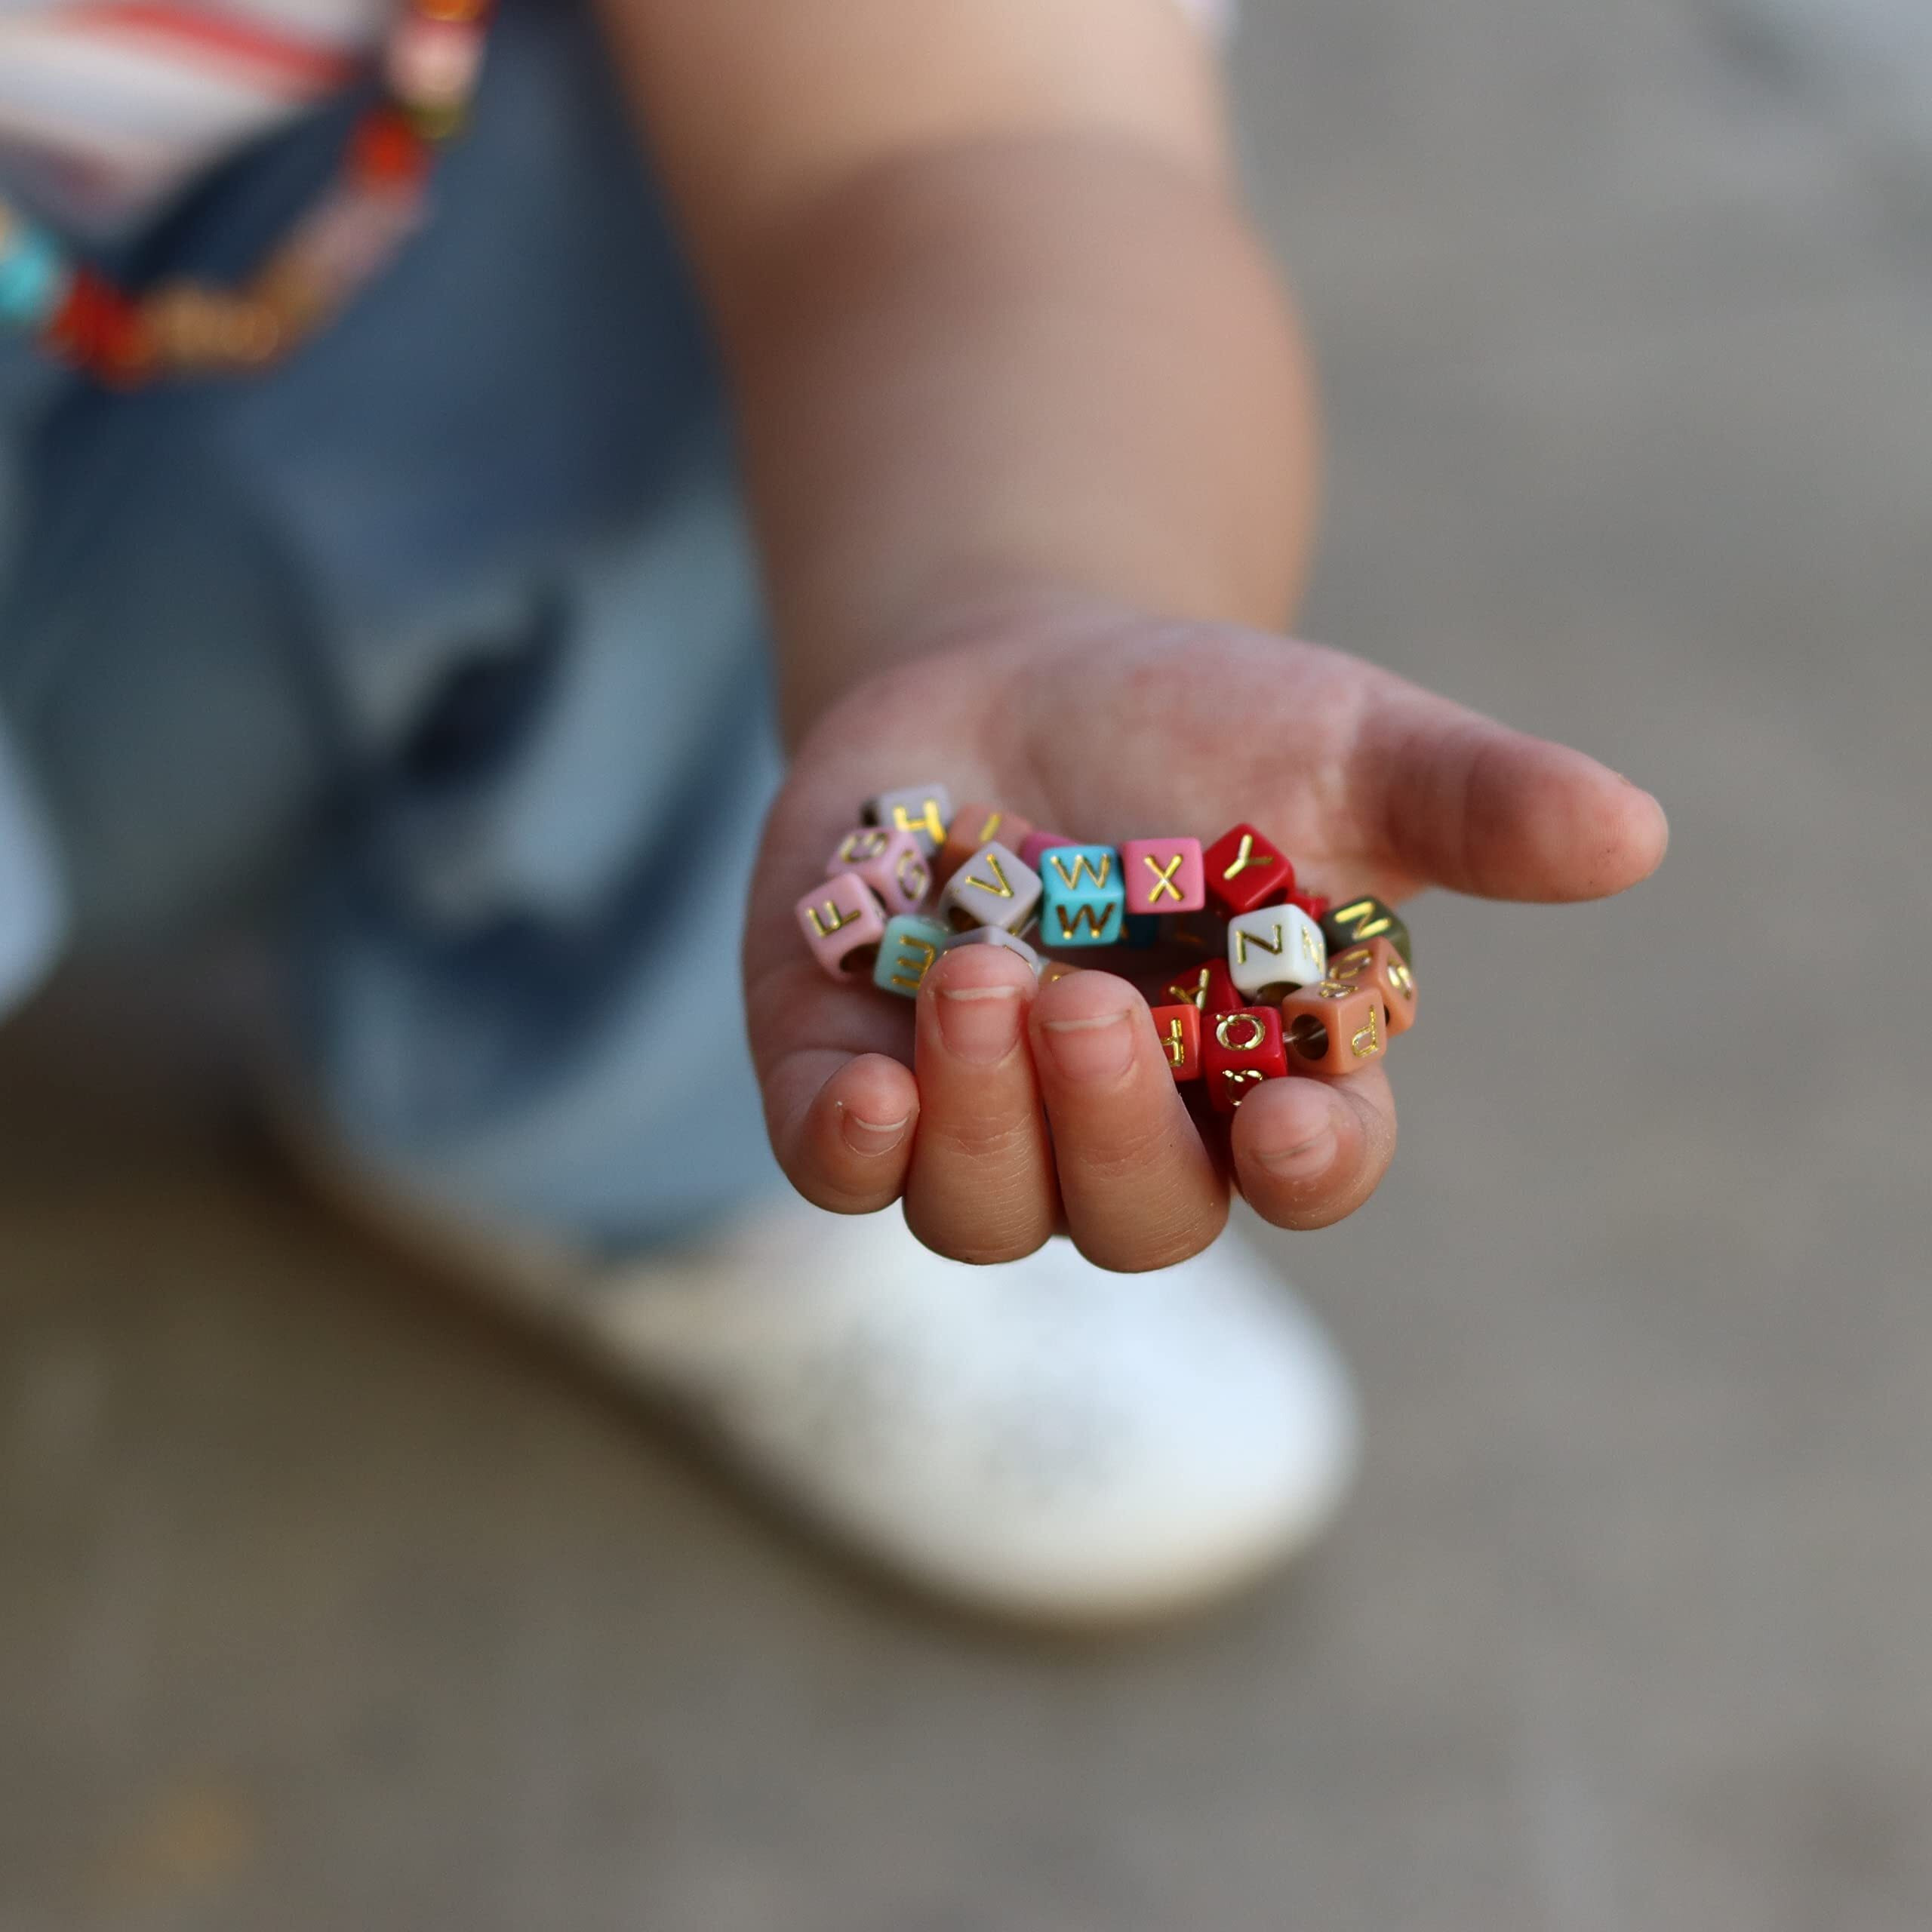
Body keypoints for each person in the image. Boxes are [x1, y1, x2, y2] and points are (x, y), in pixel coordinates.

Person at [0, 0, 1666, 1624]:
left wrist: (1030, 591)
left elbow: (972, 129)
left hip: (219, 368)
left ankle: (596, 1105)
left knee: (705, 143)